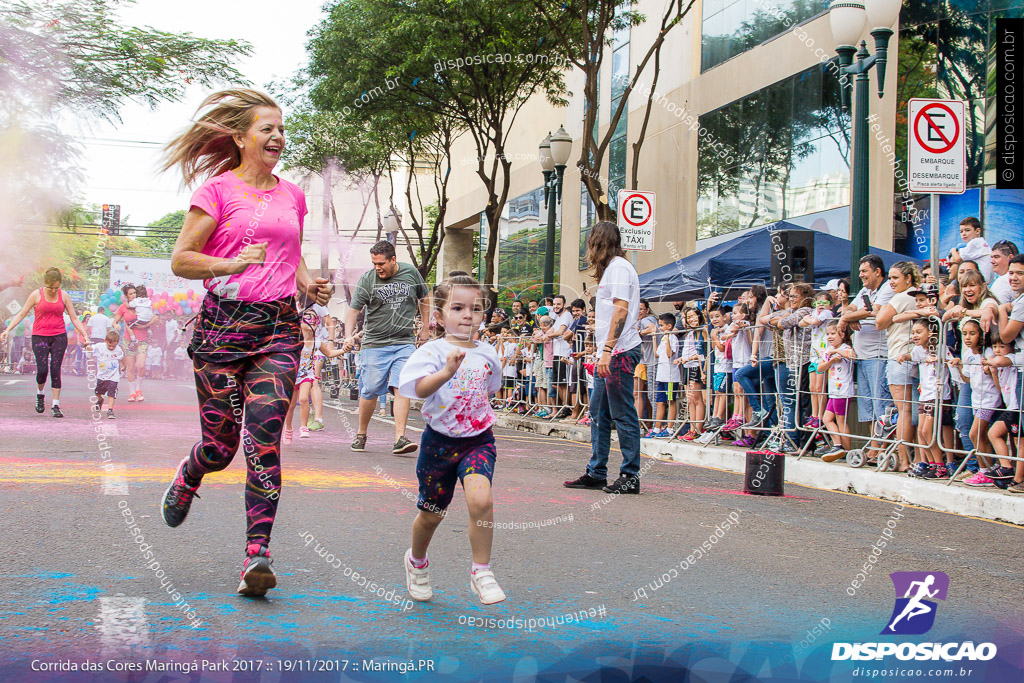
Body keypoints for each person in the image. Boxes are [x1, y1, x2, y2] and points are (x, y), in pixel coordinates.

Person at [158, 88, 333, 597]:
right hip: (220, 329)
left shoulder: (292, 196)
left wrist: (307, 283)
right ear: (240, 138)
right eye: (267, 129)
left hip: (277, 329)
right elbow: (182, 260)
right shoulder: (216, 192)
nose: (278, 137)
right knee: (221, 447)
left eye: (281, 129)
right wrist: (231, 263)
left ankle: (257, 555)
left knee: (263, 439)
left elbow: (289, 255)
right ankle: (192, 473)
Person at [396, 274, 506, 605]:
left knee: (481, 502)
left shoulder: (488, 353)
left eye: (475, 308)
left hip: (478, 440)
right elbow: (417, 389)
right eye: (457, 308)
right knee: (432, 513)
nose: (467, 315)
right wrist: (445, 372)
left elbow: (489, 390)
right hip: (438, 444)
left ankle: (481, 571)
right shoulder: (432, 351)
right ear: (440, 316)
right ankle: (416, 562)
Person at [564, 221, 643, 495]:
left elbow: (621, 310)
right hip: (609, 352)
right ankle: (596, 472)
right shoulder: (613, 269)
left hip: (619, 352)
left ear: (598, 242)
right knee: (598, 413)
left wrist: (607, 350)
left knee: (623, 415)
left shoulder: (619, 268)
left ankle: (630, 476)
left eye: (591, 243)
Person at [342, 240, 430, 455]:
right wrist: (348, 336)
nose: (377, 267)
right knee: (370, 390)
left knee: (402, 386)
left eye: (381, 263)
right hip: (375, 343)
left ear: (393, 260)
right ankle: (361, 433)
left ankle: (400, 438)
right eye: (374, 263)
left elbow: (425, 298)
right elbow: (354, 310)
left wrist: (426, 327)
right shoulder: (368, 279)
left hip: (404, 342)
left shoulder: (410, 273)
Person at [0, 267, 92, 417]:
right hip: (40, 336)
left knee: (56, 369)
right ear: (45, 284)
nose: (54, 290)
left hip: (59, 336)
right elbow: (22, 313)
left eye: (57, 287)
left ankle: (56, 405)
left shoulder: (64, 296)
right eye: (51, 287)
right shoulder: (36, 295)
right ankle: (40, 394)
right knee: (42, 370)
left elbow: (75, 318)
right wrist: (7, 330)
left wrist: (84, 335)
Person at [876, 262, 923, 472]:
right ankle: (919, 458)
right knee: (918, 412)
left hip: (899, 356)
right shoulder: (919, 298)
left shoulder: (902, 297)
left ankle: (905, 460)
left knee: (904, 411)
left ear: (908, 278)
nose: (891, 282)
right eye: (890, 278)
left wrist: (889, 311)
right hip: (915, 357)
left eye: (895, 278)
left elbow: (879, 321)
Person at [840, 255, 895, 434]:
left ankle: (882, 447)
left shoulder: (887, 288)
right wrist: (850, 316)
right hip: (862, 356)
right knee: (867, 407)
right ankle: (874, 444)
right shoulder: (865, 292)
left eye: (864, 271)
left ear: (877, 272)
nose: (861, 275)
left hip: (878, 355)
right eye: (860, 272)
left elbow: (875, 310)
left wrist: (848, 318)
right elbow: (848, 309)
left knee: (881, 404)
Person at [285, 309, 345, 442]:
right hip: (293, 375)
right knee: (291, 405)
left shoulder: (317, 341)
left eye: (313, 318)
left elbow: (329, 353)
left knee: (304, 399)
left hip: (307, 375)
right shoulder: (293, 339)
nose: (310, 320)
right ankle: (288, 428)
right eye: (307, 317)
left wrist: (343, 349)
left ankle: (303, 427)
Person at [818, 320, 855, 462]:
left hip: (843, 391)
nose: (830, 337)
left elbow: (853, 355)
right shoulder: (828, 350)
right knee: (827, 418)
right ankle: (838, 445)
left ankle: (846, 451)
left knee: (841, 421)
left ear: (842, 334)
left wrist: (837, 351)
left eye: (833, 333)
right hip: (833, 391)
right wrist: (831, 361)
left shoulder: (846, 348)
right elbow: (820, 368)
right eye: (828, 334)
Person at [113, 284, 157, 402]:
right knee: (131, 368)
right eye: (130, 294)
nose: (133, 295)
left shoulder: (142, 304)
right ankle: (132, 392)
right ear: (126, 296)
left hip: (142, 340)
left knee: (141, 366)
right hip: (129, 341)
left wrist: (145, 325)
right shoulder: (123, 307)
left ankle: (139, 389)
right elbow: (115, 321)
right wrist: (116, 325)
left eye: (134, 293)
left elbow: (154, 318)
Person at [648, 313, 680, 438]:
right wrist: (654, 338)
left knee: (670, 400)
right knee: (659, 402)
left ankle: (670, 428)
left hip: (671, 376)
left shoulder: (672, 338)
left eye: (662, 326)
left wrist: (667, 339)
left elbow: (669, 354)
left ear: (669, 326)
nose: (660, 328)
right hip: (661, 375)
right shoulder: (663, 338)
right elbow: (656, 354)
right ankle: (657, 428)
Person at [544, 294, 575, 418]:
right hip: (556, 353)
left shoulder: (566, 315)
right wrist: (540, 337)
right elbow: (550, 332)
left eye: (558, 304)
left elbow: (560, 332)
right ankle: (565, 406)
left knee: (562, 383)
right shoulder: (558, 318)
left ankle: (567, 408)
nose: (556, 306)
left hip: (564, 353)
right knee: (556, 384)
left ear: (564, 305)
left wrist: (548, 336)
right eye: (554, 304)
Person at [634, 299, 659, 431]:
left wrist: (639, 333)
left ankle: (656, 425)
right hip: (648, 360)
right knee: (650, 394)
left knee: (652, 394)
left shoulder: (646, 320)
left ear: (647, 310)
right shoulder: (640, 320)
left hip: (653, 361)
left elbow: (652, 328)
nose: (639, 311)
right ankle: (653, 424)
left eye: (641, 309)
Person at [91, 330, 126, 419]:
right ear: (105, 341)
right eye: (109, 346)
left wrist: (125, 366)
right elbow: (91, 348)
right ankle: (100, 400)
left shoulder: (118, 350)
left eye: (113, 346)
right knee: (97, 392)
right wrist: (87, 346)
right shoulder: (100, 347)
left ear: (117, 343)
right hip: (102, 376)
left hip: (113, 376)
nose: (111, 348)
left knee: (111, 393)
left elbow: (122, 358)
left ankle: (110, 410)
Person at [948, 216, 992, 283]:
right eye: (961, 231)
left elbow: (958, 259)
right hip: (985, 279)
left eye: (967, 230)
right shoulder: (982, 242)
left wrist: (952, 250)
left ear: (977, 231)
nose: (964, 234)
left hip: (979, 279)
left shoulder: (975, 242)